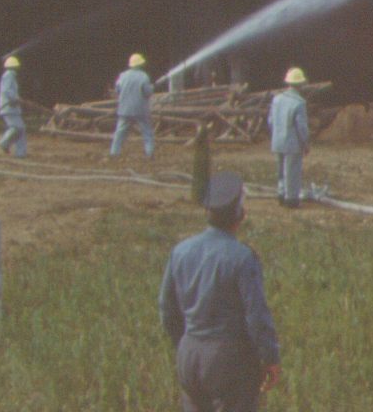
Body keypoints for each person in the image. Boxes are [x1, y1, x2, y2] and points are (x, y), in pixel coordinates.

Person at [160, 172, 282, 412]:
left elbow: (167, 308)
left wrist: (185, 342)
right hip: (228, 359)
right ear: (240, 214)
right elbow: (256, 317)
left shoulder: (180, 251)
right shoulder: (242, 258)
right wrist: (270, 357)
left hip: (189, 354)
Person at [268, 68, 310, 208]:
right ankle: (291, 199)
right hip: (292, 143)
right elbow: (301, 127)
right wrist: (305, 143)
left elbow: (270, 121)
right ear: (300, 84)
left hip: (277, 141)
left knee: (280, 170)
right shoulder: (299, 103)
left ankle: (281, 194)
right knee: (292, 172)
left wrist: (275, 134)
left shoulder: (276, 99)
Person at [110, 52, 156, 158]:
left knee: (119, 133)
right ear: (140, 64)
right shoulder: (144, 76)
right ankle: (149, 153)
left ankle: (114, 153)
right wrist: (151, 88)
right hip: (140, 110)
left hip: (124, 109)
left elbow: (117, 90)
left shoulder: (122, 76)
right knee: (147, 133)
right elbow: (147, 93)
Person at [0, 55, 27, 157]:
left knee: (20, 129)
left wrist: (16, 99)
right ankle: (4, 142)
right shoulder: (9, 75)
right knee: (18, 128)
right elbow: (6, 90)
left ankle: (20, 153)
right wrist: (14, 98)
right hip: (9, 107)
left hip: (12, 107)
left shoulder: (10, 76)